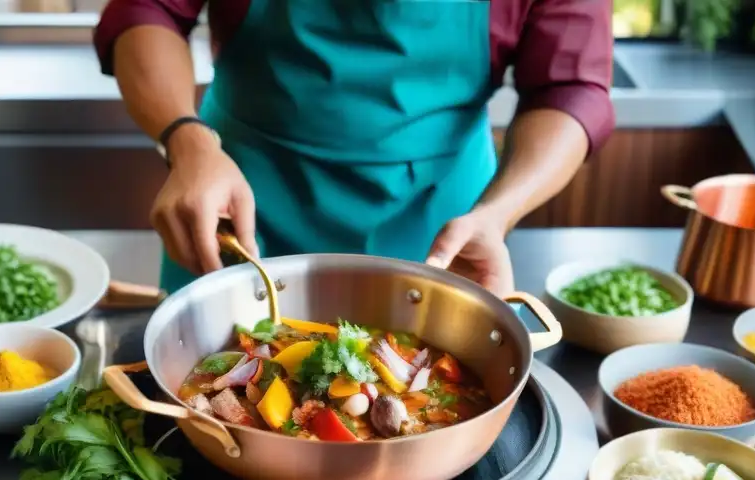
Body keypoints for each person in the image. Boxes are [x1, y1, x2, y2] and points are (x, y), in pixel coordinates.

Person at [95, 1, 613, 297]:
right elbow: (149, 9)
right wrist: (188, 143)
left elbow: (567, 88)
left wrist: (496, 215)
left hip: (441, 228)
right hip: (237, 200)